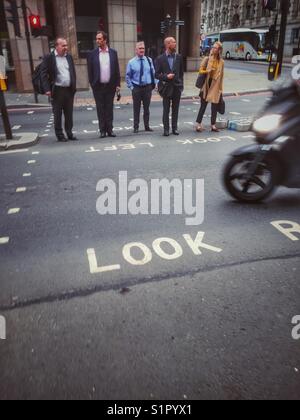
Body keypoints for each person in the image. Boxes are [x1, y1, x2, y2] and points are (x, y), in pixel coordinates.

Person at [41, 37, 77, 142]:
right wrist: (47, 89)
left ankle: (69, 133)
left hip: (69, 90)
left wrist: (74, 86)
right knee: (57, 114)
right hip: (57, 90)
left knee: (69, 114)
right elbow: (43, 74)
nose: (66, 47)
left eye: (66, 45)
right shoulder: (49, 57)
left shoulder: (69, 57)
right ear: (56, 46)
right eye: (63, 45)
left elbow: (72, 72)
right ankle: (60, 135)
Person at [87, 31, 121, 139]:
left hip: (110, 86)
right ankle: (102, 130)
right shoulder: (92, 54)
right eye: (97, 39)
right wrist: (92, 85)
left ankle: (110, 130)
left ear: (105, 40)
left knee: (109, 109)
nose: (97, 41)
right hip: (98, 86)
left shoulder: (113, 53)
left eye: (99, 39)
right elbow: (90, 71)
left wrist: (118, 84)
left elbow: (116, 70)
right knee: (100, 109)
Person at [155, 37, 184, 137]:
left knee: (175, 109)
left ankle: (174, 128)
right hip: (166, 88)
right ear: (167, 44)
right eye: (173, 42)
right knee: (166, 110)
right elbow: (156, 74)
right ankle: (166, 129)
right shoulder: (160, 58)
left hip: (177, 87)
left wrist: (181, 85)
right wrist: (166, 76)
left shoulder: (179, 57)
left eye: (175, 42)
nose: (175, 44)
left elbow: (181, 73)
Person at [126, 42, 157, 133]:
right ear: (136, 50)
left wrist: (155, 84)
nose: (142, 50)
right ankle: (136, 127)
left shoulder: (149, 60)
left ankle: (147, 126)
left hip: (147, 88)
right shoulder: (131, 62)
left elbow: (153, 73)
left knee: (146, 108)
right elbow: (128, 76)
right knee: (136, 108)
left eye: (143, 48)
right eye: (140, 48)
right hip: (136, 88)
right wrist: (132, 87)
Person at [196, 41, 225, 133]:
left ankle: (213, 125)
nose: (213, 49)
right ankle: (198, 124)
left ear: (219, 50)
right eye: (213, 47)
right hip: (207, 84)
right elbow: (200, 70)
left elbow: (222, 76)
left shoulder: (222, 62)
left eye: (216, 48)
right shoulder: (207, 59)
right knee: (203, 106)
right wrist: (207, 71)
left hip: (215, 85)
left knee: (214, 107)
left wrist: (220, 89)